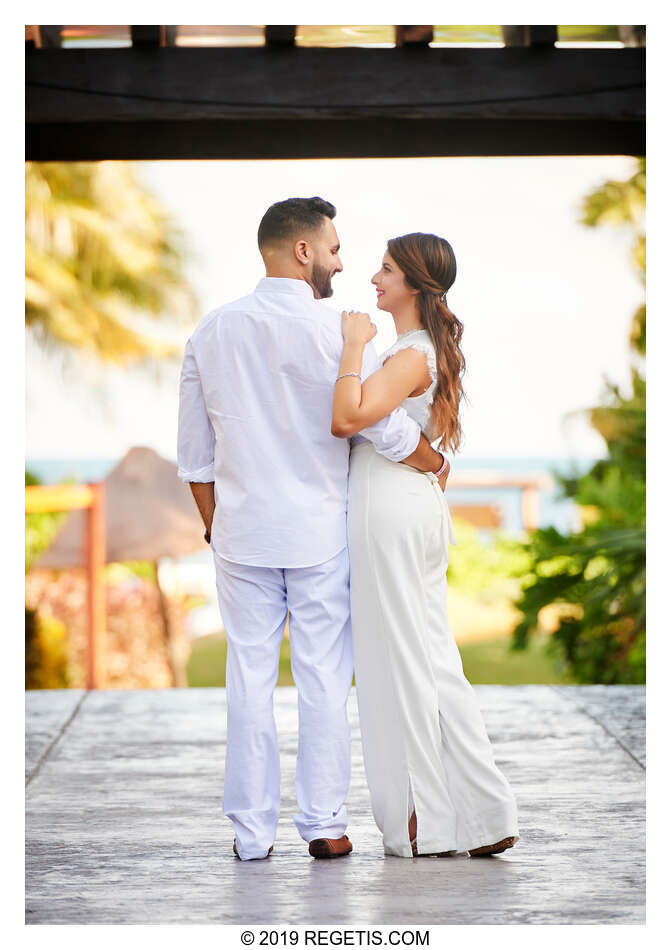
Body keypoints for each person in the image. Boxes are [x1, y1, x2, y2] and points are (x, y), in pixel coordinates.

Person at [177, 198, 449, 862]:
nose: (340, 261)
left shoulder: (211, 331)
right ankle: (324, 824)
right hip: (320, 534)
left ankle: (250, 835)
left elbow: (194, 455)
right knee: (324, 677)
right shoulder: (340, 334)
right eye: (331, 248)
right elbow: (377, 425)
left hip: (242, 533)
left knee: (248, 675)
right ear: (302, 251)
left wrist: (219, 530)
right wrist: (433, 460)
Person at [331, 232, 520, 858]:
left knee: (407, 662)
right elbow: (382, 427)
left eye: (385, 269)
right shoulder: (414, 351)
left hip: (391, 508)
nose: (373, 278)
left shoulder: (408, 355)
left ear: (413, 282)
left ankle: (435, 821)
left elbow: (348, 416)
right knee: (420, 657)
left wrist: (353, 346)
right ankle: (470, 816)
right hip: (399, 504)